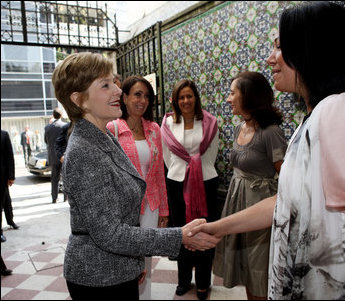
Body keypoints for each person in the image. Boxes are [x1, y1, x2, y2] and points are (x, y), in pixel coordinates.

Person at [189, 2, 345, 300]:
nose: (270, 58)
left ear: (311, 49)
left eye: (279, 47)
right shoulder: (317, 117)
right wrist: (218, 228)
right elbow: (288, 201)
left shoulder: (344, 111)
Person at [51, 52, 218, 300]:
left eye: (114, 82)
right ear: (80, 100)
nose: (118, 91)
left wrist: (133, 262)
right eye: (105, 85)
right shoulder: (84, 151)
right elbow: (110, 233)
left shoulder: (101, 136)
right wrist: (178, 236)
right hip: (98, 276)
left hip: (117, 269)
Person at [214, 71, 287, 300]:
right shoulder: (240, 128)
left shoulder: (270, 132)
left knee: (258, 267)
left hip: (259, 207)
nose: (228, 99)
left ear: (249, 96)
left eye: (232, 93)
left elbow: (285, 176)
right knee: (245, 266)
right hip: (237, 203)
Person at [106, 75, 169, 300]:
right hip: (124, 209)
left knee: (145, 261)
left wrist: (164, 209)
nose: (142, 100)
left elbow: (160, 172)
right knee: (125, 260)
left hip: (151, 205)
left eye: (146, 96)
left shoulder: (154, 129)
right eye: (136, 94)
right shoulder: (112, 129)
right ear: (124, 97)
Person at [161, 79, 220, 300]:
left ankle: (204, 282)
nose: (185, 101)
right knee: (181, 232)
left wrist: (196, 170)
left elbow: (211, 154)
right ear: (175, 101)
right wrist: (183, 169)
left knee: (204, 230)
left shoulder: (210, 122)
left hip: (205, 180)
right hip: (176, 182)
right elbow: (168, 156)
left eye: (189, 96)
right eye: (181, 97)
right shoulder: (167, 124)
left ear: (196, 98)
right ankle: (184, 280)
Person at [45, 108, 68, 203]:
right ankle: (66, 197)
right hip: (63, 155)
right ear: (61, 115)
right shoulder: (65, 126)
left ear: (53, 115)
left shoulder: (47, 127)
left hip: (53, 156)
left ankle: (54, 198)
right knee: (65, 177)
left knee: (54, 178)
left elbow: (46, 141)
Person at [1, 130, 17, 243]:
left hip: (2, 176)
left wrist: (11, 176)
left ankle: (10, 220)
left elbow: (9, 156)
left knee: (5, 200)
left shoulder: (4, 134)